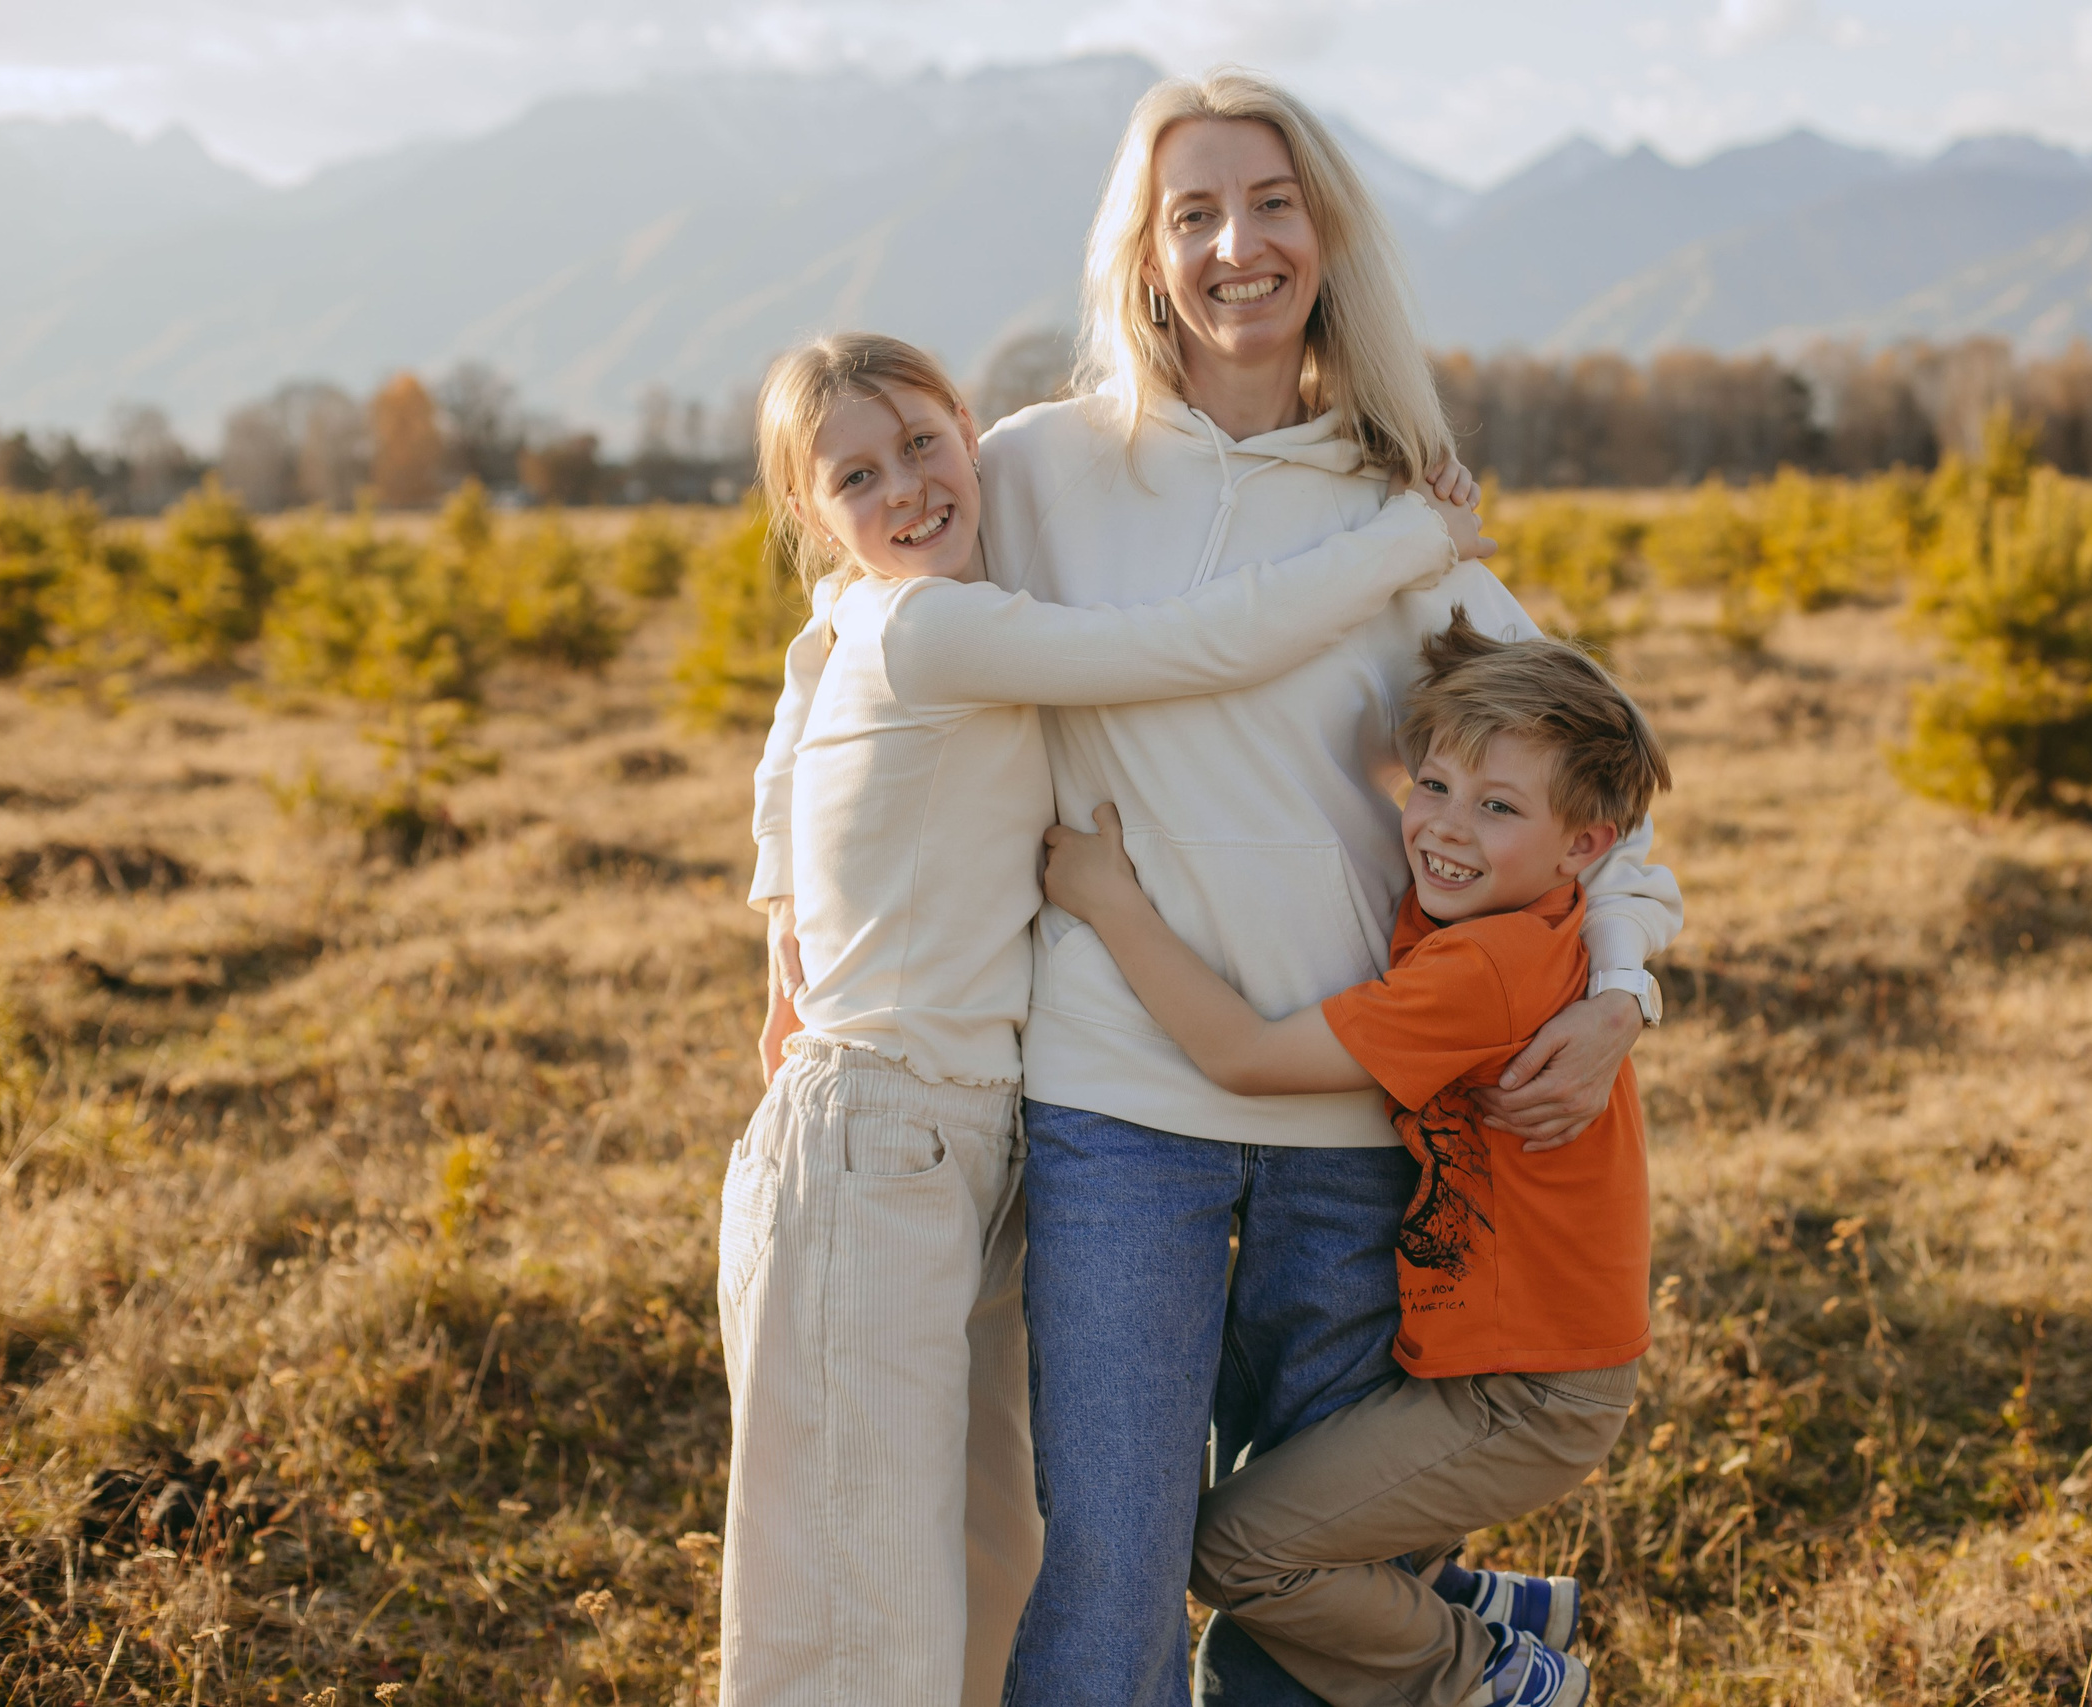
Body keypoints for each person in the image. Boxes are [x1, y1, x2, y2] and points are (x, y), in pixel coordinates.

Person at [749, 70, 1683, 1707]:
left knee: (1296, 1598)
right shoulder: (1033, 471)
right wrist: (785, 916)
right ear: (1145, 250)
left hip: (1351, 1125)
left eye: (1271, 204)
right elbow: (840, 639)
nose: (1237, 244)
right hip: (1115, 1110)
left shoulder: (1402, 520)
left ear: (1326, 237)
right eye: (1195, 213)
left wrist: (1621, 991)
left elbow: (1598, 798)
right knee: (1105, 1567)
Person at [718, 330, 1486, 1707]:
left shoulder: (895, 610)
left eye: (921, 444)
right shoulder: (930, 625)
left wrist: (783, 903)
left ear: (972, 432)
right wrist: (1408, 539)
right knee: (851, 1606)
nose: (905, 487)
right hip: (877, 1133)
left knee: (977, 1572)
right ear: (810, 511)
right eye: (856, 476)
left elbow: (803, 659)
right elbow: (1185, 645)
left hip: (963, 1140)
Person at [1043, 610, 1668, 1707]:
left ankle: (1489, 1672)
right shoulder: (1512, 911)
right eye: (1432, 786)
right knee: (1284, 1524)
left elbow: (1243, 1055)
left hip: (1527, 1391)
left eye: (1498, 807)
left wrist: (1110, 900)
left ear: (1584, 847)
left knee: (1237, 1551)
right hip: (1504, 1363)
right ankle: (1466, 1598)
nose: (1446, 828)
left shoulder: (1485, 968)